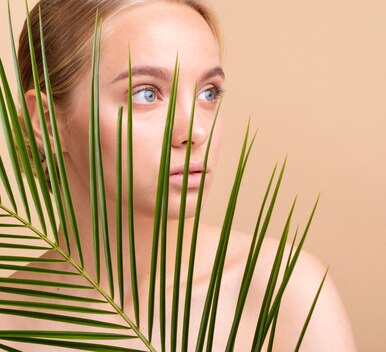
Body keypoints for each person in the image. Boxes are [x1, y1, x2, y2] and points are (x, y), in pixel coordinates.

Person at [0, 0, 357, 350]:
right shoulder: (9, 323)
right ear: (47, 122)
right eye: (146, 93)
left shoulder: (280, 294)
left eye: (208, 93)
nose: (195, 131)